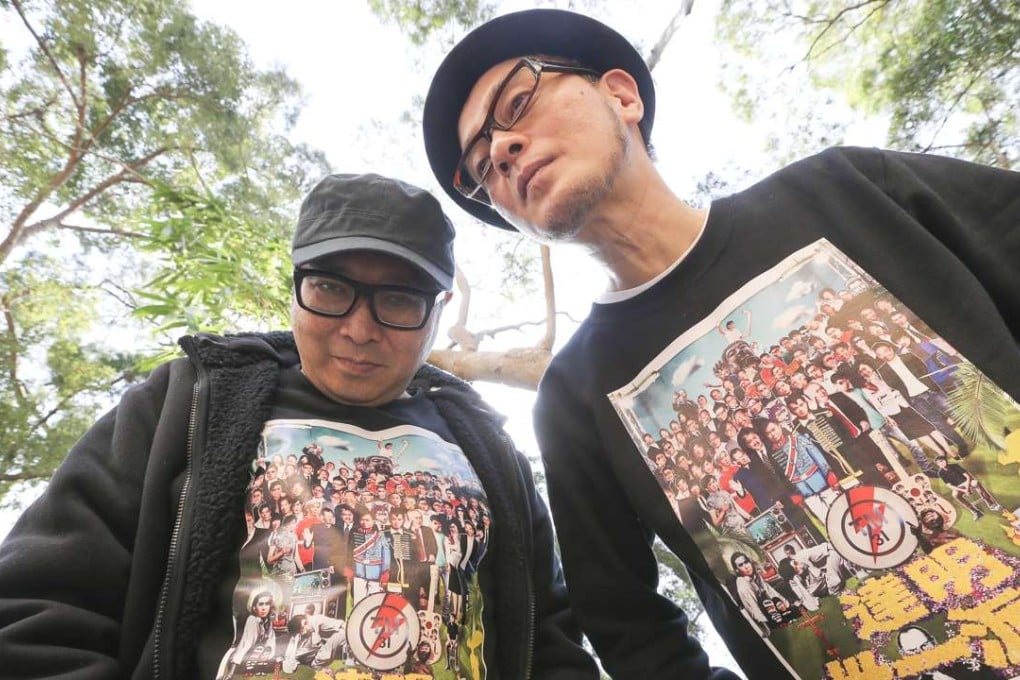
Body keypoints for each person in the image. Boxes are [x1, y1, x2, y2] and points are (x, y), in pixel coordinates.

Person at [422, 8, 1020, 679]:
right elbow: (627, 627)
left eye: (519, 101)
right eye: (480, 166)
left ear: (622, 95)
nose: (500, 151)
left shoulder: (845, 192)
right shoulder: (572, 397)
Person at [0, 173, 597, 678]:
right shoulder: (187, 402)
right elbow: (37, 606)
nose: (360, 329)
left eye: (398, 299)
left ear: (438, 313)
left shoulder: (487, 446)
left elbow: (555, 643)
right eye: (331, 288)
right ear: (295, 289)